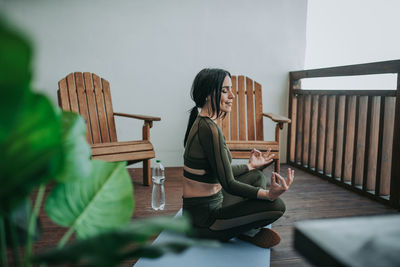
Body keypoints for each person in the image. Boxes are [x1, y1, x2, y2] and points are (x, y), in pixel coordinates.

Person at [182, 68, 294, 248]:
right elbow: (228, 183)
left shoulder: (202, 120)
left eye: (231, 89)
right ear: (209, 95)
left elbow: (218, 173)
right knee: (277, 205)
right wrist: (268, 194)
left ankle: (243, 227)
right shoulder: (209, 130)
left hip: (203, 206)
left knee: (256, 176)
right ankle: (245, 230)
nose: (232, 95)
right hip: (203, 221)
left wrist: (250, 166)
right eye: (225, 90)